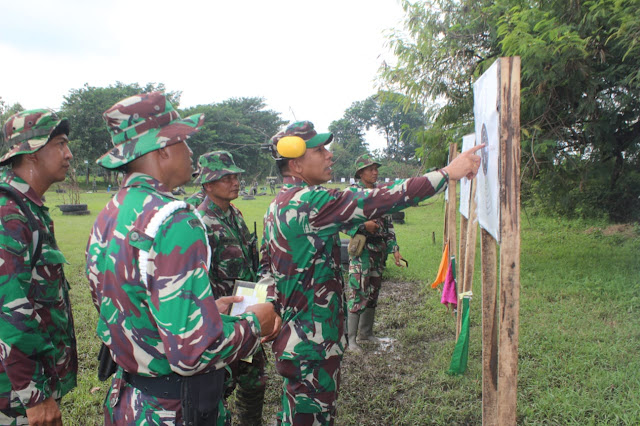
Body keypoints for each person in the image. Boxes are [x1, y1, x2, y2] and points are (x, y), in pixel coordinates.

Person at [260, 121, 484, 425]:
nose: (329, 155)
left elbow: (267, 269)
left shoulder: (276, 206)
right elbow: (384, 198)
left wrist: (274, 310)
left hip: (295, 340)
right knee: (310, 417)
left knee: (296, 414)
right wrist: (447, 173)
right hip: (311, 345)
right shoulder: (308, 203)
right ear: (296, 162)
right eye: (320, 149)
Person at [85, 92, 279, 425]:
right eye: (183, 142)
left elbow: (128, 305)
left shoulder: (113, 211)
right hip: (173, 407)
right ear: (162, 150)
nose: (191, 153)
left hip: (129, 400)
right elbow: (192, 353)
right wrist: (254, 324)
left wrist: (202, 311)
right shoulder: (176, 219)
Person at [0, 109, 78, 425]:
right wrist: (36, 395)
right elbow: (8, 309)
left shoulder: (29, 208)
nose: (69, 154)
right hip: (15, 399)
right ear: (31, 153)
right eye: (59, 144)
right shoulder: (9, 214)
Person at [194, 150, 266, 425]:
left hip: (245, 313)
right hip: (218, 322)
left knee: (255, 380)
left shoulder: (233, 215)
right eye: (227, 178)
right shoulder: (200, 223)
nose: (235, 182)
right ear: (208, 185)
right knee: (217, 388)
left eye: (236, 177)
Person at [346, 154, 404, 352]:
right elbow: (342, 220)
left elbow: (389, 224)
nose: (375, 172)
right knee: (358, 292)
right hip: (362, 251)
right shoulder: (352, 194)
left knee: (373, 292)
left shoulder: (381, 193)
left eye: (376, 168)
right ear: (360, 172)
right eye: (370, 169)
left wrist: (394, 249)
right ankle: (351, 339)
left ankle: (366, 333)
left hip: (379, 252)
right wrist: (363, 225)